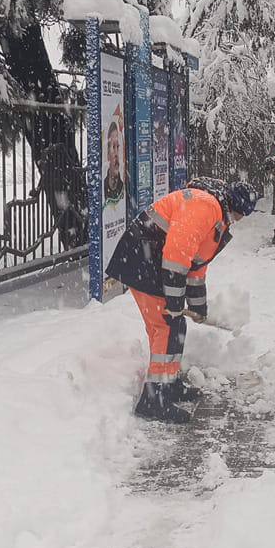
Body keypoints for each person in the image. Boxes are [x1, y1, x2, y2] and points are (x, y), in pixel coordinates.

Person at [104, 178, 258, 423]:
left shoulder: (217, 216)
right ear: (238, 209)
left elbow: (195, 265)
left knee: (176, 326)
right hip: (141, 259)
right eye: (242, 215)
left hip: (152, 262)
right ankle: (153, 400)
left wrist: (198, 306)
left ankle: (169, 384)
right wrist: (175, 303)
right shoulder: (205, 207)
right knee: (165, 326)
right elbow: (177, 257)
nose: (240, 221)